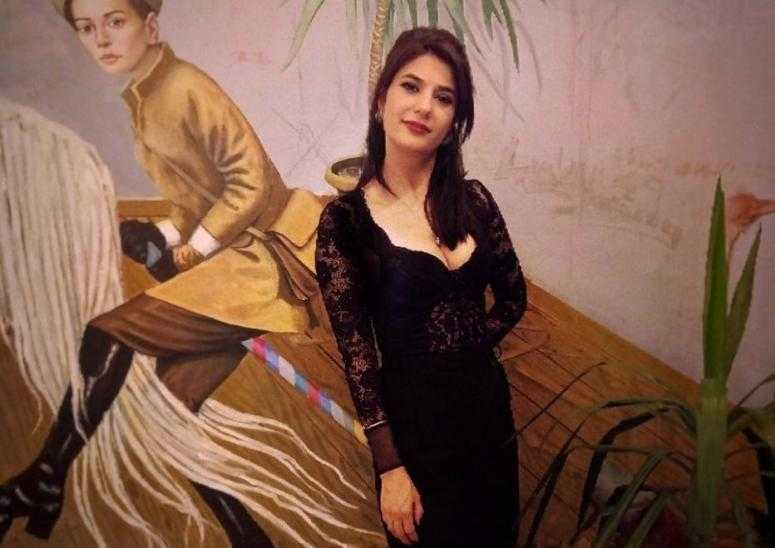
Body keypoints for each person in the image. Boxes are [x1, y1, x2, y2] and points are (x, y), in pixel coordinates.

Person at [0, 0, 326, 545]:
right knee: (173, 414)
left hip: (269, 259)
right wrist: (161, 234)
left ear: (150, 25)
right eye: (86, 28)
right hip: (236, 261)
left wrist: (191, 249)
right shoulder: (145, 100)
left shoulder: (185, 86)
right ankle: (250, 539)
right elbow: (193, 202)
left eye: (115, 21)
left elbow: (250, 181)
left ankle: (44, 479)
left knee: (107, 332)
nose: (102, 39)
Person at [316, 27, 527, 547]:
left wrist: (467, 348)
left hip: (489, 421)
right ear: (381, 98)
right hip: (414, 439)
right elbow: (358, 357)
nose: (424, 106)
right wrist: (389, 467)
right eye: (411, 86)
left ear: (455, 121)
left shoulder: (476, 201)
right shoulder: (346, 222)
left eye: (444, 97)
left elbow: (513, 298)